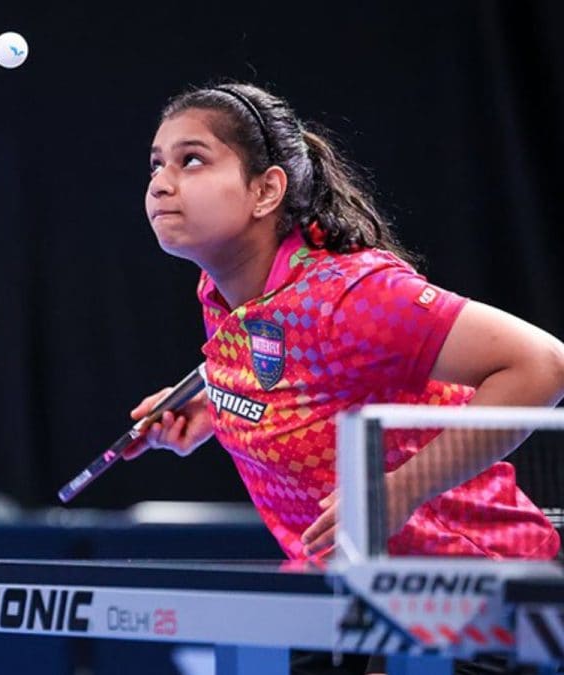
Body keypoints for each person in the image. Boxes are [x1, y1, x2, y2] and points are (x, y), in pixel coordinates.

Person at [128, 82, 564, 674]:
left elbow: (543, 363)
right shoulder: (222, 291)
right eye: (157, 164)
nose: (161, 182)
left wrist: (401, 489)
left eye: (193, 160)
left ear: (266, 190)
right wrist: (222, 399)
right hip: (343, 598)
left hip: (474, 597)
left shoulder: (350, 294)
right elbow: (302, 373)